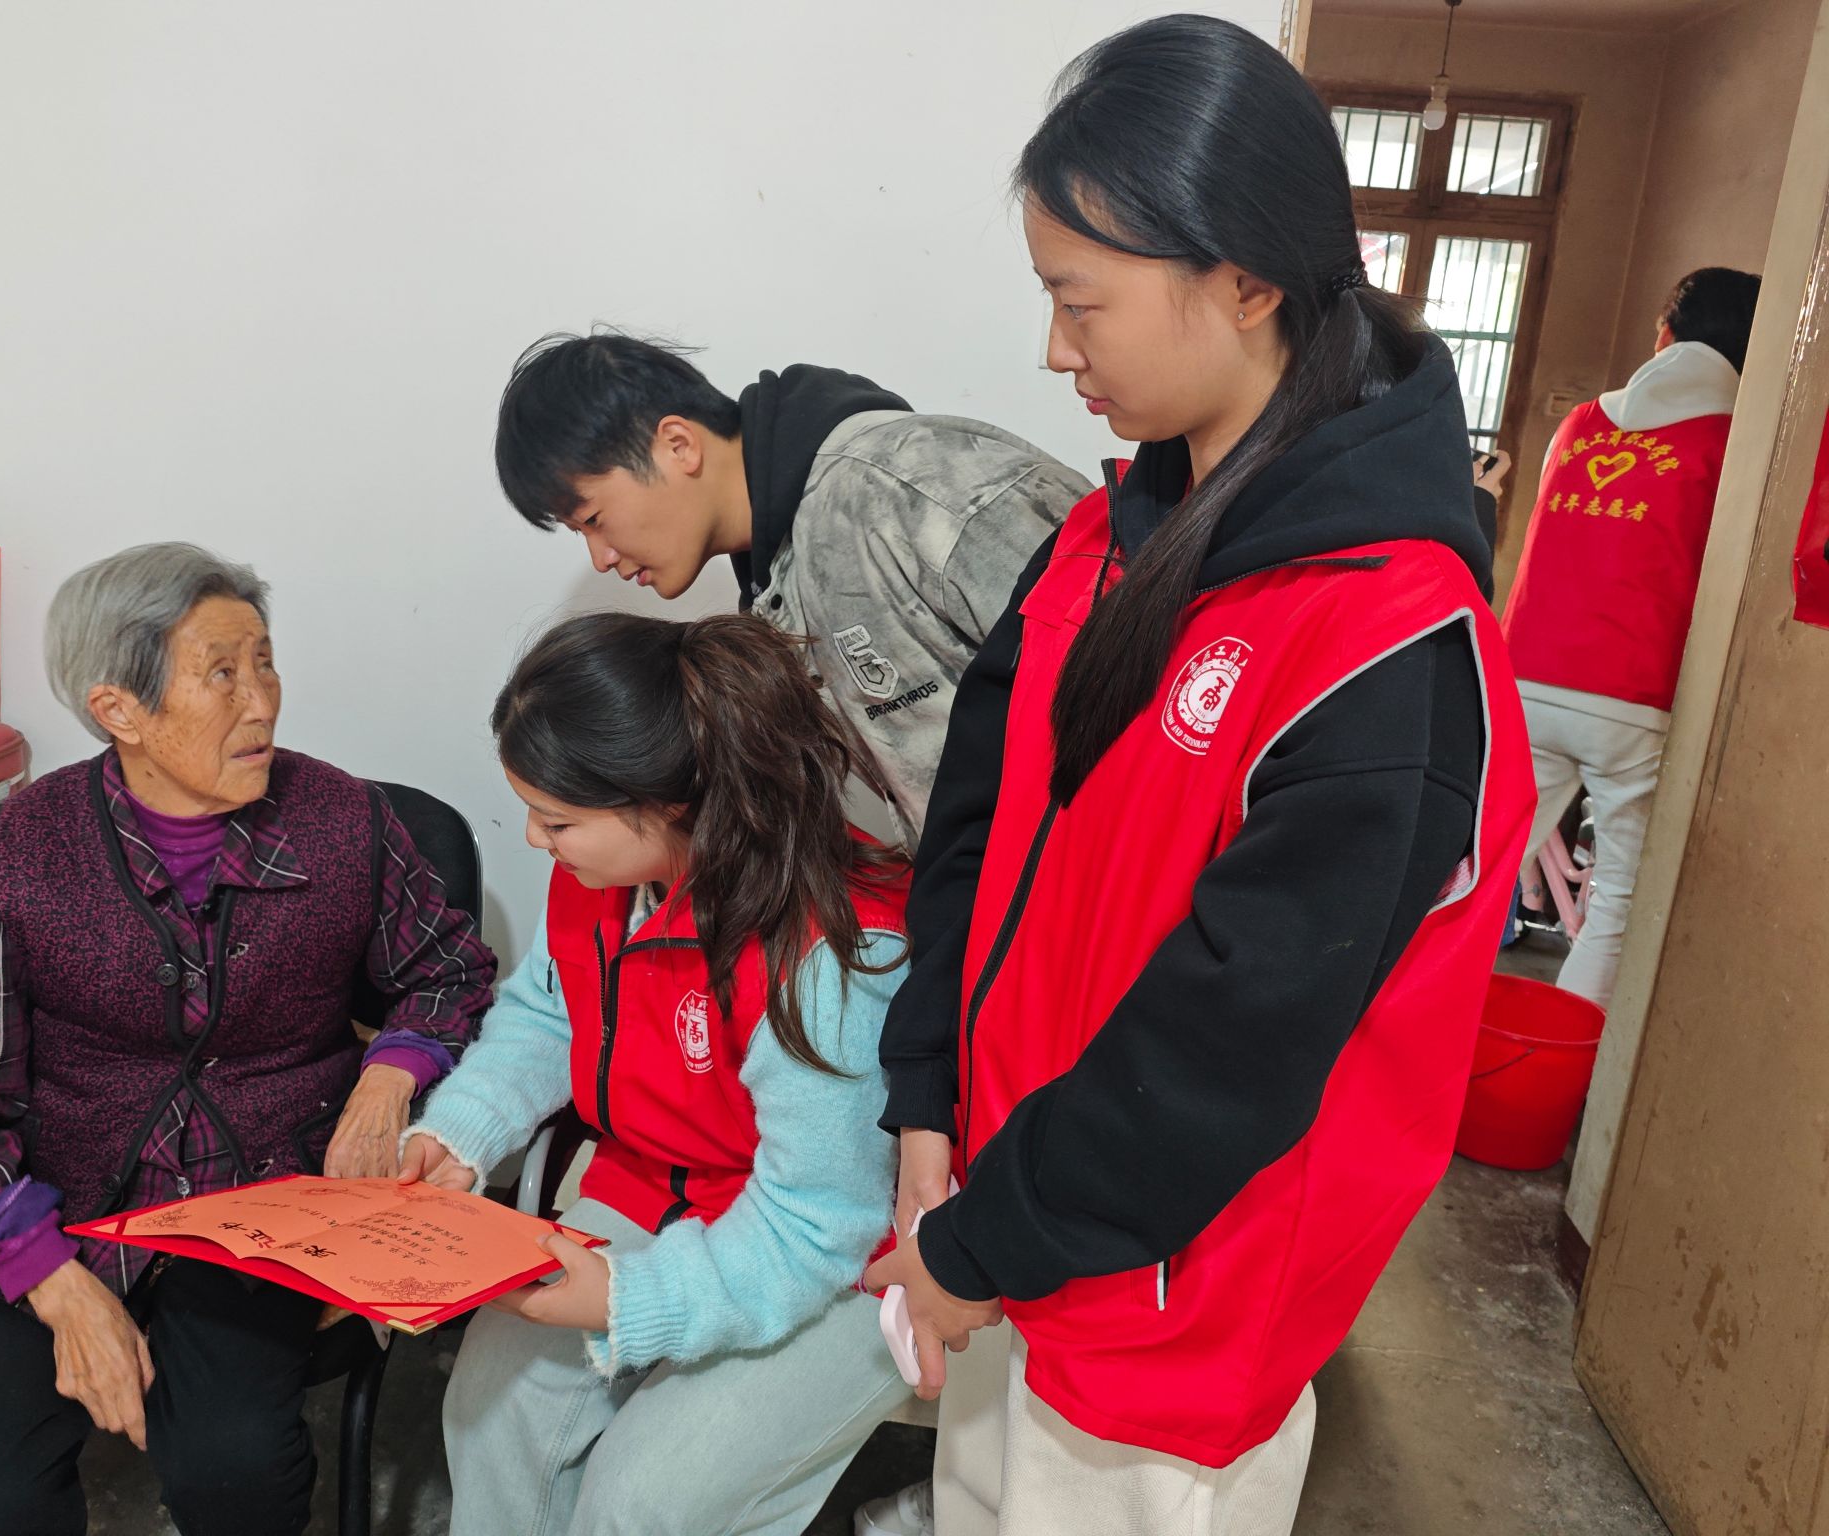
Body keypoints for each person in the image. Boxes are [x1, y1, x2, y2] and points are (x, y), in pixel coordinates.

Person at [862, 18, 1535, 1535]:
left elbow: (1235, 1040)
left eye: (1078, 301)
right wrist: (928, 1102)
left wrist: (984, 1243)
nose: (1056, 350)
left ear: (1243, 282)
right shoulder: (1102, 540)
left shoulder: (1383, 640)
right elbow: (972, 837)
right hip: (1010, 1230)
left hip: (1165, 1319)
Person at [0, 543, 496, 1536]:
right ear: (119, 710)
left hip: (264, 1195)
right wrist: (53, 1284)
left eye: (265, 663)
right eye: (221, 673)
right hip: (57, 1198)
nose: (262, 703)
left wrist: (388, 1078)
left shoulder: (345, 819)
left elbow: (448, 972)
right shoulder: (19, 847)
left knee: (237, 1472)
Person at [399, 612, 914, 1536]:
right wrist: (461, 1132)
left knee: (646, 1502)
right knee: (491, 1412)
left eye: (558, 819)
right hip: (657, 1190)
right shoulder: (599, 878)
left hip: (841, 1261)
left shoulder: (831, 956)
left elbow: (820, 1222)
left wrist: (632, 1301)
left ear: (671, 803)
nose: (533, 838)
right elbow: (552, 1013)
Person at [493, 331, 1088, 847]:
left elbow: (1125, 685)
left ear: (678, 445)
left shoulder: (904, 484)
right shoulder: (773, 585)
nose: (600, 558)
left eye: (593, 519)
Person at [1501, 266, 1761, 1008]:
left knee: (1472, 876)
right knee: (1616, 906)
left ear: (1664, 336)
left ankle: (1411, 1039)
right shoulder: (1736, 447)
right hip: (1634, 698)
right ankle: (1561, 1061)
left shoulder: (1579, 424)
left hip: (1524, 678)